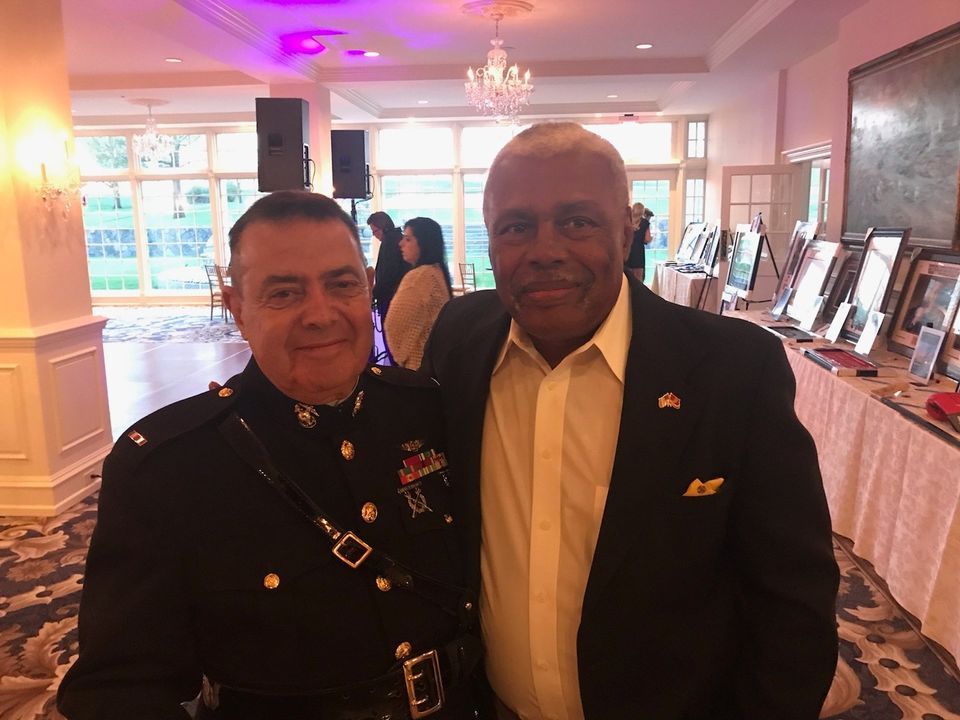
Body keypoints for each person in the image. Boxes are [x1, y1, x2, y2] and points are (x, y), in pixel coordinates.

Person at [422, 122, 839, 720]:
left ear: (625, 231)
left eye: (577, 221)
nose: (545, 249)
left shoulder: (732, 370)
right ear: (491, 242)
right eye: (517, 226)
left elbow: (795, 598)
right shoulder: (460, 340)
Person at [58, 191, 483, 720]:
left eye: (341, 284)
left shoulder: (430, 413)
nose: (321, 314)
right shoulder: (172, 466)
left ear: (369, 289)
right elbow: (120, 689)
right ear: (237, 308)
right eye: (284, 294)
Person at [384, 217, 453, 370]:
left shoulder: (419, 277)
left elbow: (394, 324)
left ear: (424, 242)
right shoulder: (436, 271)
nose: (401, 243)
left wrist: (400, 355)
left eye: (408, 239)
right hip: (437, 363)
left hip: (418, 364)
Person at [367, 210, 410, 321]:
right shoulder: (396, 238)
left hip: (391, 298)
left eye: (375, 231)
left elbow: (388, 273)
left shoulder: (389, 242)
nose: (374, 235)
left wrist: (374, 293)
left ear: (384, 227)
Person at [624, 201, 652, 282]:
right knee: (638, 278)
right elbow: (647, 239)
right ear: (642, 212)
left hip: (627, 251)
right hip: (638, 252)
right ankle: (637, 293)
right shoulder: (645, 223)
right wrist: (651, 238)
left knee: (627, 278)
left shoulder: (627, 221)